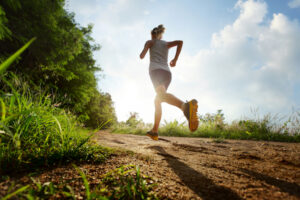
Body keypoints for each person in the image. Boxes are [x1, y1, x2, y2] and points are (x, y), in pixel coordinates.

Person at [140, 24, 199, 141]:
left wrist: (147, 46)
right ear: (160, 36)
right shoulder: (165, 43)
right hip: (167, 73)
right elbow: (180, 42)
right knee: (158, 99)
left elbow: (142, 56)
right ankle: (155, 131)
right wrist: (175, 60)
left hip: (155, 71)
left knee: (160, 97)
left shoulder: (150, 42)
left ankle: (185, 106)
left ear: (153, 35)